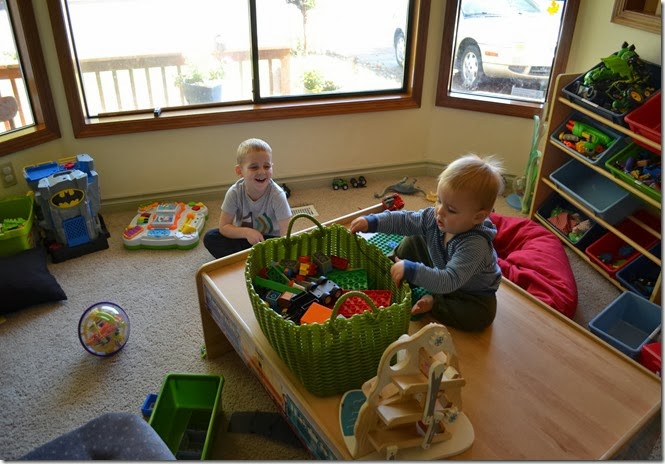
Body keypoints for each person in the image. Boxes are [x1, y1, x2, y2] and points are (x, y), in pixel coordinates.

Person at [350, 153, 505, 331]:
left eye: (451, 210)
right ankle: (394, 267)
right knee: (415, 237)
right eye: (439, 200)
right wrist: (373, 222)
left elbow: (449, 281)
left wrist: (414, 270)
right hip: (441, 267)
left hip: (468, 292)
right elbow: (405, 220)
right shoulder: (436, 217)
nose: (439, 211)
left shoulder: (475, 245)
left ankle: (436, 302)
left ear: (477, 217)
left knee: (481, 316)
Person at [203, 138, 292, 259]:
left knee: (284, 249)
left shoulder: (278, 195)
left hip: (269, 241)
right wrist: (247, 232)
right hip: (243, 237)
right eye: (254, 167)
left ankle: (248, 260)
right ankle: (250, 260)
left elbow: (286, 235)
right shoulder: (234, 192)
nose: (262, 171)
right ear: (240, 171)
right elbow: (224, 227)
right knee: (210, 237)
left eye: (267, 166)